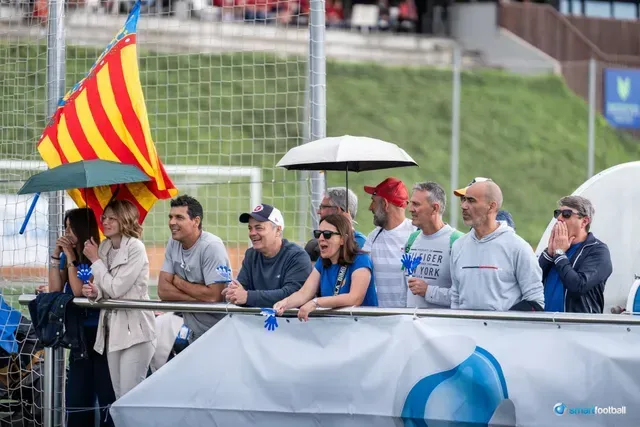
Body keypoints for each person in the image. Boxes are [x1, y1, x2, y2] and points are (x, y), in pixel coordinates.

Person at [82, 200, 156, 399]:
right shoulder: (105, 246)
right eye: (104, 217)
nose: (105, 222)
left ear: (125, 220)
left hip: (136, 332)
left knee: (130, 397)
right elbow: (105, 289)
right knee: (119, 396)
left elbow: (116, 288)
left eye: (112, 218)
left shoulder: (135, 248)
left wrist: (95, 260)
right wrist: (94, 292)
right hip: (112, 331)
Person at [48, 208, 115, 427]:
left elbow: (78, 290)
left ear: (83, 228)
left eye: (71, 227)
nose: (67, 232)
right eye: (65, 227)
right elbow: (55, 288)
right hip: (77, 334)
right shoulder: (70, 254)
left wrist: (71, 258)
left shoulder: (96, 253)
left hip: (99, 334)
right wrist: (56, 255)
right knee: (77, 395)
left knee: (105, 391)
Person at [450, 180, 544, 311]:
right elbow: (455, 297)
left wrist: (501, 325)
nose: (464, 206)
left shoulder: (518, 247)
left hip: (503, 331)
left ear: (491, 206)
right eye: (464, 200)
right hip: (463, 331)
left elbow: (535, 302)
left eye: (471, 201)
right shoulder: (458, 246)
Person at [273, 214, 378, 321]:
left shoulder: (361, 259)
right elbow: (304, 293)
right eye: (318, 234)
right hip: (338, 327)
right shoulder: (322, 261)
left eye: (327, 234)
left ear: (343, 239)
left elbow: (355, 298)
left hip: (365, 328)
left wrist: (316, 302)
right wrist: (284, 303)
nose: (321, 238)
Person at [157, 195, 231, 342]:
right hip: (193, 330)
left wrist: (179, 283)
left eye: (179, 217)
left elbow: (214, 296)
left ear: (196, 221)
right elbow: (163, 291)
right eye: (170, 217)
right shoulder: (173, 242)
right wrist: (197, 297)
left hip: (220, 332)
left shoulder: (212, 246)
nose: (172, 222)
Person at [222, 204, 312, 307]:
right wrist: (233, 292)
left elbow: (293, 295)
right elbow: (241, 288)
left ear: (278, 230)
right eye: (250, 228)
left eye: (259, 228)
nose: (252, 233)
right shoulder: (251, 255)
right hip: (255, 321)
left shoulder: (296, 256)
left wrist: (248, 297)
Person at [539, 196, 612, 313]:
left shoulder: (597, 250)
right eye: (558, 213)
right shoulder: (556, 248)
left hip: (577, 327)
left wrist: (559, 254)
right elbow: (532, 281)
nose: (559, 218)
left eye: (566, 214)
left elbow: (578, 286)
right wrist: (548, 254)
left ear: (584, 221)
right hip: (546, 325)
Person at [404, 182, 464, 308]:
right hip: (410, 324)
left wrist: (428, 291)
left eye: (416, 204)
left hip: (440, 326)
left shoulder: (457, 242)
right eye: (411, 203)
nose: (410, 209)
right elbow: (405, 291)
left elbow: (464, 296)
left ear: (435, 208)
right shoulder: (411, 240)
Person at [362, 177, 415, 307]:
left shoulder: (417, 234)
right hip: (380, 321)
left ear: (385, 204)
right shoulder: (373, 236)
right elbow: (359, 268)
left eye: (373, 201)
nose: (370, 207)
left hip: (411, 322)